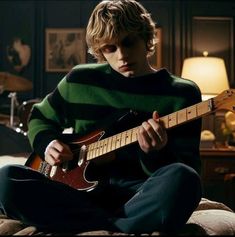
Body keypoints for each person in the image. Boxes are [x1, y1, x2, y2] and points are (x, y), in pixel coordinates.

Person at [0, 0, 202, 234]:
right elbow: (39, 118)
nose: (122, 55)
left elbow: (186, 166)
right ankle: (119, 226)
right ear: (99, 50)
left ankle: (89, 224)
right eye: (110, 48)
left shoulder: (182, 94)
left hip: (138, 194)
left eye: (129, 42)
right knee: (5, 179)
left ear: (147, 37)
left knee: (185, 179)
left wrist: (155, 153)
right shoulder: (80, 80)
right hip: (75, 194)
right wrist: (48, 144)